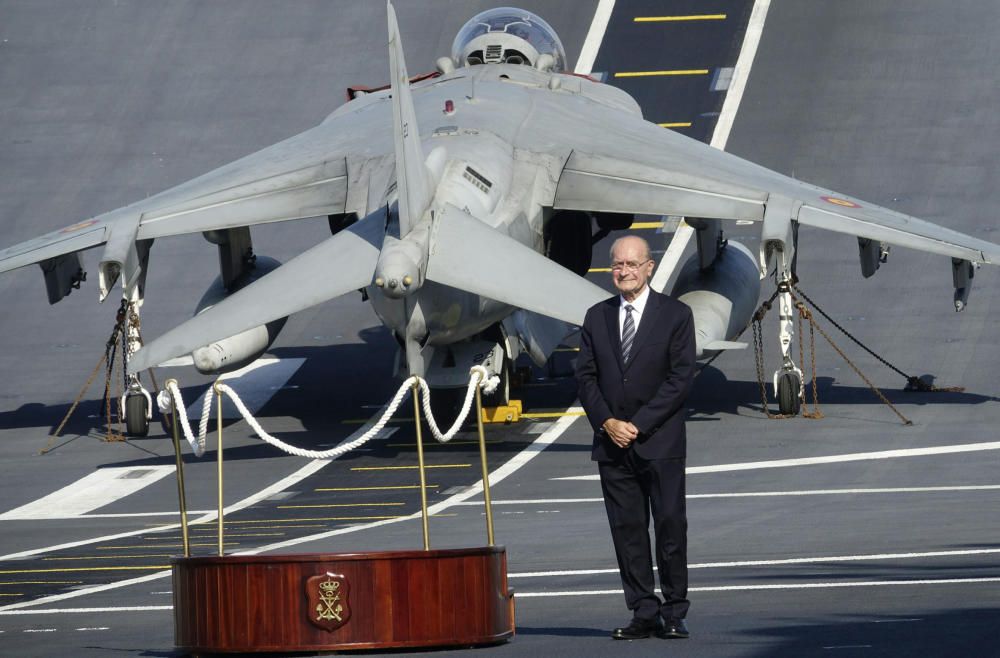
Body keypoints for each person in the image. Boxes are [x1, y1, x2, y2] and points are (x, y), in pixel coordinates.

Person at [576, 235, 696, 640]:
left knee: (669, 525)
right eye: (616, 265)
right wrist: (608, 422)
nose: (623, 271)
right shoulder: (596, 317)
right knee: (626, 530)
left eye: (631, 264)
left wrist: (639, 424)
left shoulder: (676, 315)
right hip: (612, 444)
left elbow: (680, 379)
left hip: (659, 443)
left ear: (649, 268)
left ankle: (675, 611)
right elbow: (586, 378)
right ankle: (643, 610)